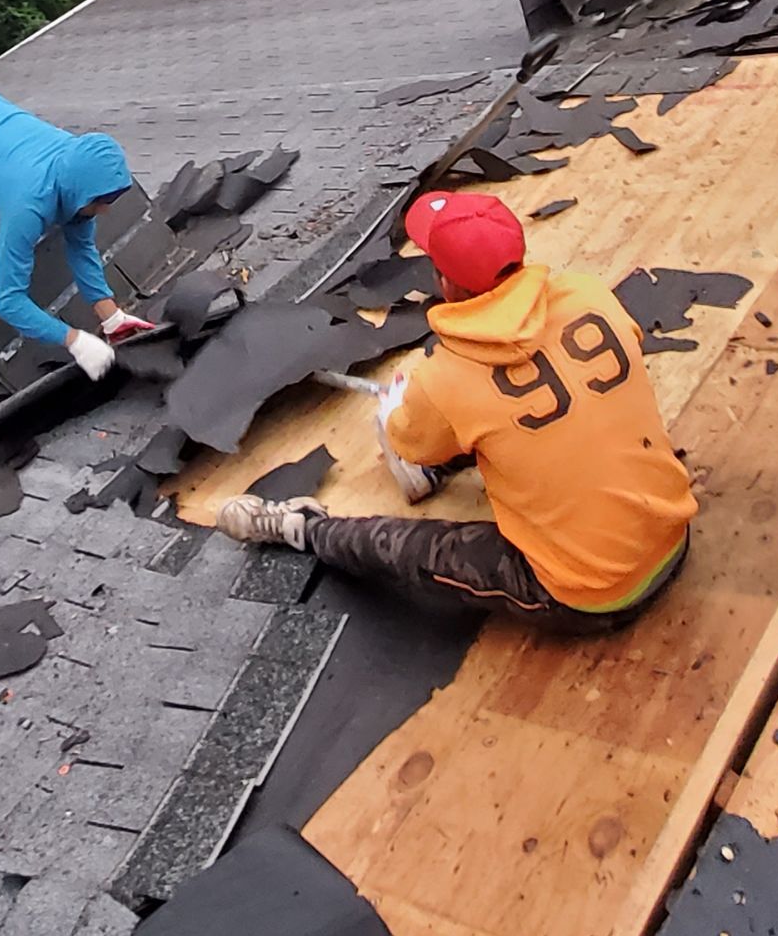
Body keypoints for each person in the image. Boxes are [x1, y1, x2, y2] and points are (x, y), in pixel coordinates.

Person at [218, 189, 695, 628]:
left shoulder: (448, 377)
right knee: (516, 422)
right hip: (671, 531)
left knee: (417, 551)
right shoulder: (589, 293)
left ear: (444, 281)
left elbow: (408, 443)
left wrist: (405, 402)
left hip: (592, 593)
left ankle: (303, 529)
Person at [0, 88, 145, 381]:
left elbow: (82, 246)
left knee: (58, 224)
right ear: (81, 193)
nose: (105, 211)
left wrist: (112, 316)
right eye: (100, 204)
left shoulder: (77, 166)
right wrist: (75, 340)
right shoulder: (27, 206)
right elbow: (7, 301)